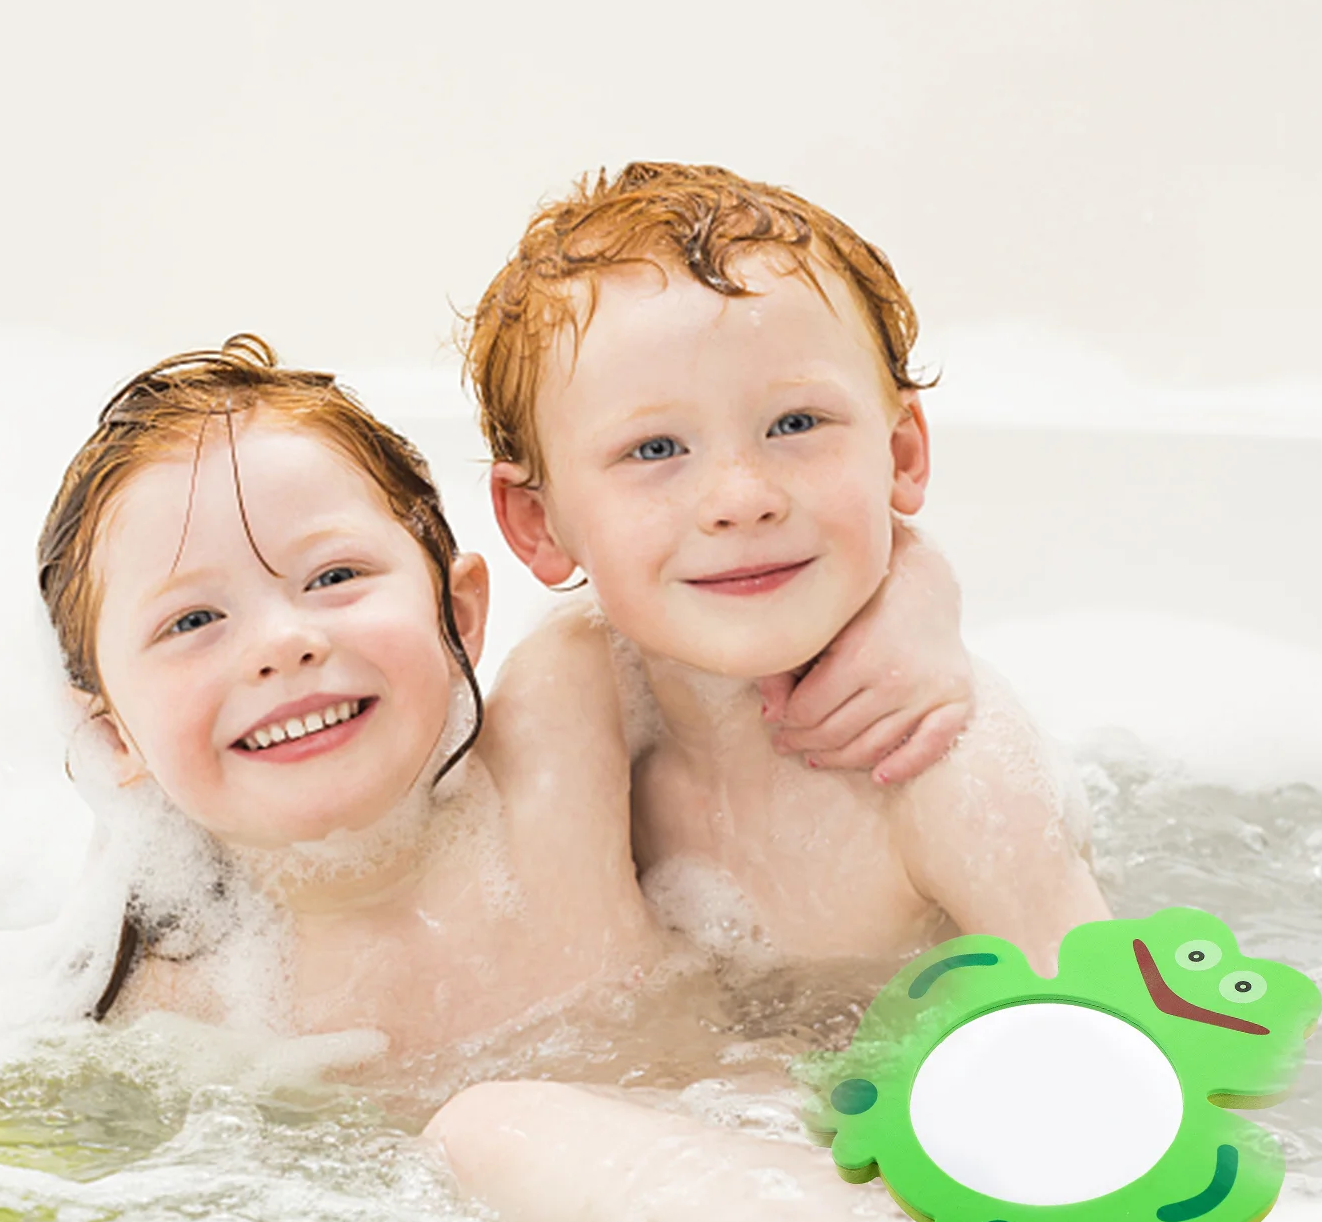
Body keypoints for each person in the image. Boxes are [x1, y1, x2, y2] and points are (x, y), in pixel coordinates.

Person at [37, 336, 909, 1222]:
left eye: (332, 577)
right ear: (113, 734)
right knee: (485, 1135)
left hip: (813, 1172)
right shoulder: (170, 1004)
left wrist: (921, 611)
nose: (285, 643)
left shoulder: (560, 732)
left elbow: (782, 585)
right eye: (192, 622)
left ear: (461, 606)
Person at [463, 162, 1110, 977]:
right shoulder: (570, 696)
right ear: (535, 523)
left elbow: (1116, 1041)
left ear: (901, 452)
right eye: (655, 449)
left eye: (796, 422)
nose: (741, 500)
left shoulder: (952, 781)